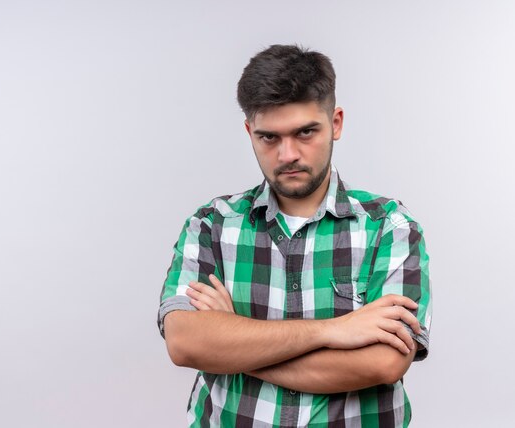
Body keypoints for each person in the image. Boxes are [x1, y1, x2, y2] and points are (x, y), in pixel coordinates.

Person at [157, 44, 431, 428]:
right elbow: (185, 342)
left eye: (305, 132)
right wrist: (335, 331)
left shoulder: (390, 226)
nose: (287, 154)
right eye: (269, 138)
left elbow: (383, 362)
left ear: (335, 123)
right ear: (249, 131)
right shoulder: (211, 225)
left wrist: (234, 343)